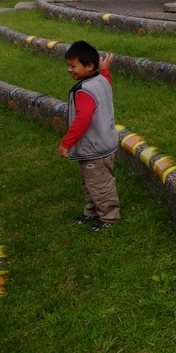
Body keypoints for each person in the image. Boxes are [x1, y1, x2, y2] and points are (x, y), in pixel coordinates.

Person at [61, 41, 119, 233]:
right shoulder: (100, 80)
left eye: (73, 66)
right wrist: (105, 69)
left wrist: (67, 143)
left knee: (100, 184)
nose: (69, 70)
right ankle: (92, 211)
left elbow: (83, 119)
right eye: (68, 65)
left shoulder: (85, 91)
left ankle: (109, 217)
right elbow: (106, 80)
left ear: (89, 66)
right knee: (91, 182)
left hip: (95, 147)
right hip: (105, 142)